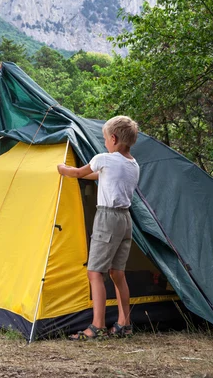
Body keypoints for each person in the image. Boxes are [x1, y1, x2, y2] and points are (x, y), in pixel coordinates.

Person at [57, 115, 140, 340]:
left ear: (113, 138)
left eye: (105, 139)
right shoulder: (133, 165)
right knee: (117, 273)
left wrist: (62, 168)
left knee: (95, 272)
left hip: (108, 219)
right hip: (125, 220)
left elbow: (77, 173)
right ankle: (125, 323)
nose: (104, 143)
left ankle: (96, 326)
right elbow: (101, 176)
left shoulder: (104, 158)